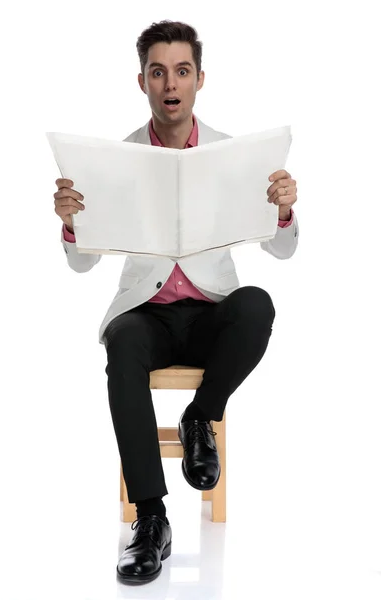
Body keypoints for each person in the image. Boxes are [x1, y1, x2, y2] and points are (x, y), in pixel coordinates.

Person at [53, 20, 299, 585]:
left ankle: (199, 417)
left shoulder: (231, 153)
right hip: (149, 310)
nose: (171, 83)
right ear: (142, 81)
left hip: (213, 307)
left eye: (182, 71)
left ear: (199, 80)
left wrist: (283, 211)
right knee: (123, 343)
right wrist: (72, 225)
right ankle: (151, 519)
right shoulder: (117, 158)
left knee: (258, 304)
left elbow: (282, 250)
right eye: (158, 71)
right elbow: (82, 263)